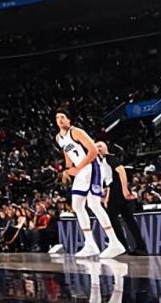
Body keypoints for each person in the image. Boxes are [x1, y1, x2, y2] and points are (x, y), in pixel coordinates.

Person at [54, 108, 124, 258]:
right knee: (77, 205)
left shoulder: (76, 132)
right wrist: (68, 170)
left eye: (63, 117)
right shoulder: (59, 138)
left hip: (92, 167)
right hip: (81, 171)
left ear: (69, 120)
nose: (60, 119)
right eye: (57, 117)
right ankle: (90, 244)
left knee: (94, 204)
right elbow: (67, 153)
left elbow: (93, 151)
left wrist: (78, 167)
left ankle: (114, 243)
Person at [96, 141, 148, 255]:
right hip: (115, 189)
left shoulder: (109, 158)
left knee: (112, 217)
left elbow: (121, 171)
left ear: (106, 147)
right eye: (96, 147)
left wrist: (125, 189)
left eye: (100, 146)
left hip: (118, 189)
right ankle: (141, 247)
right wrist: (107, 197)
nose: (98, 148)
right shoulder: (102, 161)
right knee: (128, 218)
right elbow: (109, 181)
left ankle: (123, 247)